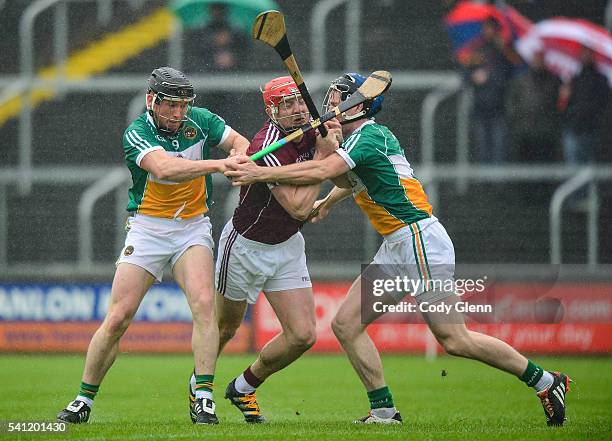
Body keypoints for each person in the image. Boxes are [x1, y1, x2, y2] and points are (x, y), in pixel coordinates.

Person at [225, 73, 571, 426]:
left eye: (337, 98)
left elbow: (325, 168)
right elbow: (352, 178)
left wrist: (259, 175)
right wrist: (329, 199)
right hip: (396, 246)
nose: (329, 105)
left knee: (454, 338)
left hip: (419, 240)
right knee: (346, 324)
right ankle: (384, 411)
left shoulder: (369, 136)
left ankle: (546, 382)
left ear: (357, 105)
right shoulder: (356, 141)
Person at [57, 66, 250, 425]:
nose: (178, 114)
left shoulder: (202, 120)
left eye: (184, 105)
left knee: (205, 304)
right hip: (148, 230)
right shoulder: (138, 132)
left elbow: (240, 142)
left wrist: (239, 155)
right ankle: (83, 399)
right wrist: (222, 164)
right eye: (171, 106)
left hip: (192, 228)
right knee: (117, 318)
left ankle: (204, 396)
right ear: (152, 101)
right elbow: (164, 169)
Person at [187, 76, 342, 423]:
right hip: (245, 247)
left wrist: (333, 142)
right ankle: (201, 390)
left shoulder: (313, 129)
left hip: (287, 246)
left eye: (300, 101)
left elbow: (346, 174)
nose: (298, 109)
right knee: (225, 328)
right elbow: (301, 208)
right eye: (287, 104)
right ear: (272, 109)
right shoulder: (266, 145)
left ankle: (243, 386)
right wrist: (322, 155)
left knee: (302, 335)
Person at [465, 18, 519, 163]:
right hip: (480, 107)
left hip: (498, 106)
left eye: (491, 28)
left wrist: (504, 50)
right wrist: (473, 77)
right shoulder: (477, 50)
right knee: (482, 149)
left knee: (499, 149)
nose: (488, 31)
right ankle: (485, 184)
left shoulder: (504, 50)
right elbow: (465, 74)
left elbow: (511, 71)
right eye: (486, 28)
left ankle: (498, 184)